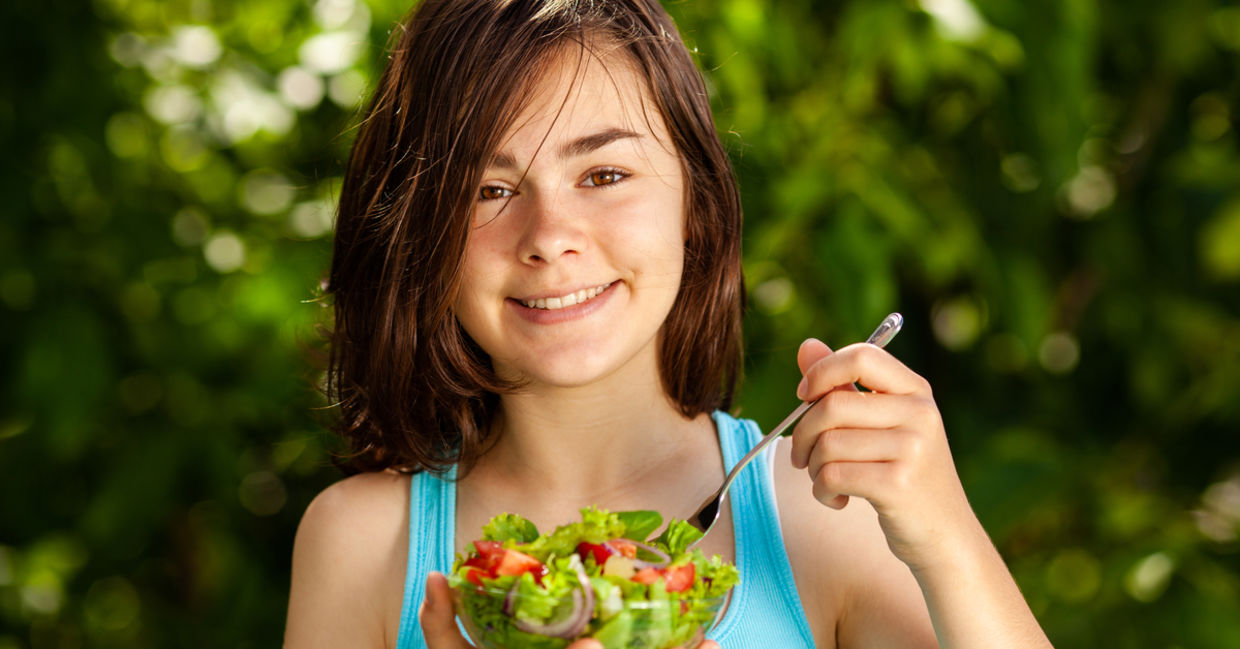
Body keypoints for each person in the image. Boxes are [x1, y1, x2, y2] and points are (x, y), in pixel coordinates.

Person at [284, 0, 1055, 647]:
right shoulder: (362, 543)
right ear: (419, 236)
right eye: (488, 189)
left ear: (696, 200)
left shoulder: (820, 512)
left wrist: (946, 535)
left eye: (604, 174)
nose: (550, 234)